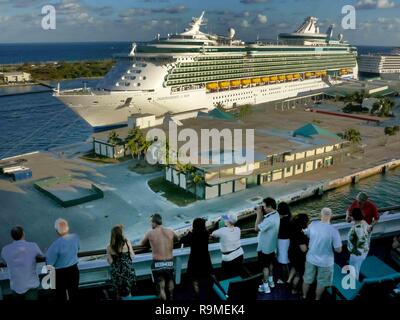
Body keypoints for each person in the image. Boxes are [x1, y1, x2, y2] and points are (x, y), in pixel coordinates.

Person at [302, 208, 342, 300]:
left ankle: (304, 296)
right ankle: (317, 298)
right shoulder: (333, 230)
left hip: (311, 258)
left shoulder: (313, 224)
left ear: (321, 215)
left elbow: (307, 234)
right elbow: (338, 250)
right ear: (331, 216)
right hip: (326, 262)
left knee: (307, 279)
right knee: (322, 282)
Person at [141, 213, 178, 301]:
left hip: (158, 263)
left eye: (151, 222)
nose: (150, 224)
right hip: (169, 261)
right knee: (170, 280)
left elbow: (142, 244)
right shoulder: (170, 231)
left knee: (161, 287)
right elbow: (177, 239)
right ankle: (172, 297)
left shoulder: (150, 233)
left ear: (154, 222)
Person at [1, 226, 43, 300]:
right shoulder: (33, 246)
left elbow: (3, 261)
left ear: (12, 236)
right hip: (31, 286)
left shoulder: (5, 250)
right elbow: (42, 256)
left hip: (15, 286)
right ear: (23, 234)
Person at [46, 218, 80, 301]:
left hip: (60, 274)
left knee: (60, 296)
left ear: (57, 231)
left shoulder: (54, 245)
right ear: (67, 228)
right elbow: (78, 248)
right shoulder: (75, 238)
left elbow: (49, 263)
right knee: (74, 293)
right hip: (74, 270)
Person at [180, 218, 213, 298]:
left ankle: (197, 295)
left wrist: (188, 233)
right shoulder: (206, 233)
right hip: (205, 259)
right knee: (207, 278)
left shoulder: (192, 235)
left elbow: (182, 240)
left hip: (194, 260)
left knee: (195, 280)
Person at [255, 197, 280, 294]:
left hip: (265, 247)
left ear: (269, 206)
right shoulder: (276, 214)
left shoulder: (269, 220)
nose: (263, 208)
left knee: (264, 267)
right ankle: (271, 281)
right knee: (270, 264)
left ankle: (265, 287)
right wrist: (261, 213)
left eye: (264, 206)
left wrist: (258, 214)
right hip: (272, 246)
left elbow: (256, 228)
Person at [107, 225, 136, 299]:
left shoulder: (109, 247)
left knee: (119, 293)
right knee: (128, 292)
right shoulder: (126, 242)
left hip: (117, 273)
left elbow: (110, 262)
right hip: (127, 271)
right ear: (121, 234)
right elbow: (132, 255)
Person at [211, 213, 244, 279]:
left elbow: (213, 234)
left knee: (227, 276)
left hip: (228, 258)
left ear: (227, 221)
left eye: (225, 219)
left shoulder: (222, 230)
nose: (224, 220)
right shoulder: (238, 229)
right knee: (237, 273)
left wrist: (216, 225)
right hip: (240, 254)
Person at [287, 214, 309, 294]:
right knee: (298, 274)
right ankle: (294, 289)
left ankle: (288, 280)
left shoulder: (293, 229)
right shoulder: (300, 235)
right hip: (298, 256)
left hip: (291, 253)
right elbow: (303, 249)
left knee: (294, 267)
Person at [347, 208, 371, 281]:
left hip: (356, 253)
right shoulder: (364, 223)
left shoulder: (355, 229)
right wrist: (348, 215)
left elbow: (360, 239)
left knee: (354, 271)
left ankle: (354, 288)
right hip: (364, 251)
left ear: (353, 217)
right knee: (356, 268)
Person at [276, 202, 292, 283]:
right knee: (286, 261)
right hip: (288, 241)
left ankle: (285, 279)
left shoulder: (281, 221)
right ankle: (288, 278)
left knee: (283, 262)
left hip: (282, 242)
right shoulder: (290, 218)